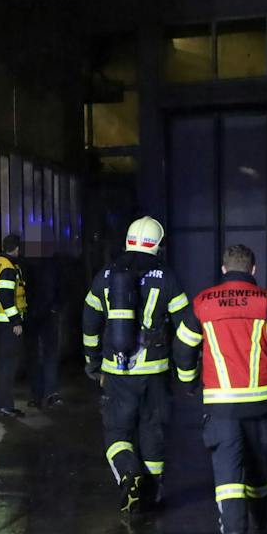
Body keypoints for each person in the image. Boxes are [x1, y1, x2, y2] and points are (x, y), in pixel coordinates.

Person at [176, 243, 267, 534]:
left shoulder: (202, 303)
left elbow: (184, 348)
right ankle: (262, 515)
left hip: (221, 405)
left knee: (227, 467)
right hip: (261, 403)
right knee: (259, 461)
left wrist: (189, 381)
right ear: (253, 270)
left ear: (223, 270)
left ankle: (233, 531)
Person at [81, 215, 189, 513]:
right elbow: (185, 327)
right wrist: (186, 370)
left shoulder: (105, 275)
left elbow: (90, 321)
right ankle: (152, 494)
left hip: (117, 371)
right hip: (155, 372)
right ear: (157, 244)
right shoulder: (167, 276)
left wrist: (93, 361)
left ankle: (129, 474)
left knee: (117, 432)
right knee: (152, 430)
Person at [0, 233, 27, 417]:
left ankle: (0, 404)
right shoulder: (9, 268)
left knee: (3, 365)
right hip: (8, 324)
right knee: (8, 367)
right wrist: (16, 321)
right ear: (17, 248)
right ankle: (5, 406)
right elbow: (6, 296)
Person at [24, 257, 64, 408]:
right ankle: (47, 394)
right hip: (42, 315)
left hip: (37, 315)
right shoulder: (51, 264)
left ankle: (41, 394)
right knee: (46, 355)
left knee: (39, 356)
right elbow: (60, 287)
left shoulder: (29, 264)